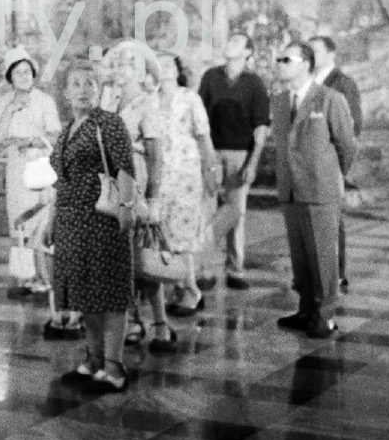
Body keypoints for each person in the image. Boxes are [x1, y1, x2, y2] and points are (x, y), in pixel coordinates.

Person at [51, 59, 137, 393]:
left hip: (102, 217)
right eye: (76, 83)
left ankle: (114, 367)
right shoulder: (67, 127)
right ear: (66, 91)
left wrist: (126, 208)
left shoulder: (109, 124)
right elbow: (62, 178)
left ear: (99, 89)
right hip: (72, 220)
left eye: (90, 83)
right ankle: (94, 360)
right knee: (85, 291)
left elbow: (125, 169)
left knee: (109, 290)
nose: (83, 89)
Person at [271, 42, 356, 340]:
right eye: (279, 59)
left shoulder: (330, 99)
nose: (279, 64)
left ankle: (324, 315)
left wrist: (333, 176)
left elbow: (347, 145)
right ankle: (305, 308)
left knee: (322, 256)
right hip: (291, 190)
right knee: (301, 256)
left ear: (305, 63)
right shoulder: (280, 102)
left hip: (320, 189)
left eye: (286, 59)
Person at [100, 40, 165, 348]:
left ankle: (157, 322)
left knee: (141, 255)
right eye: (115, 63)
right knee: (117, 256)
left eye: (126, 63)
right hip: (109, 185)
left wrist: (153, 198)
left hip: (135, 180)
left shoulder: (147, 104)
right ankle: (130, 317)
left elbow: (155, 156)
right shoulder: (108, 101)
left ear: (140, 71)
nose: (118, 68)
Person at [198, 33, 270, 290]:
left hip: (240, 153)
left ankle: (235, 268)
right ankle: (204, 269)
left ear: (248, 52)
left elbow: (261, 127)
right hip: (211, 150)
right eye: (229, 40)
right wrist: (204, 156)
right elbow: (200, 118)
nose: (229, 43)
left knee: (235, 212)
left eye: (237, 41)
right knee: (206, 209)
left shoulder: (254, 83)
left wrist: (252, 163)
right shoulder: (211, 77)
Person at [0, 47, 60, 298]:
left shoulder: (45, 101)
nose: (24, 76)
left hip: (39, 168)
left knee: (39, 221)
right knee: (18, 220)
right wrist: (10, 109)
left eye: (27, 71)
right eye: (18, 72)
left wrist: (30, 140)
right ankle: (24, 278)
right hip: (16, 169)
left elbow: (53, 135)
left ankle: (44, 278)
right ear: (10, 77)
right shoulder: (3, 102)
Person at [156, 55, 221, 321]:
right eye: (159, 65)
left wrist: (211, 171)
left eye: (169, 64)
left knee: (183, 233)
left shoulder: (190, 98)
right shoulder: (150, 99)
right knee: (164, 233)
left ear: (178, 70)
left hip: (186, 174)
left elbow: (204, 137)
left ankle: (192, 290)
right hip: (160, 176)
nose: (165, 69)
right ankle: (177, 287)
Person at [310, 35, 362, 292]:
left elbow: (352, 127)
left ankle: (336, 274)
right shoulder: (307, 82)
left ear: (331, 54)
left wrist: (339, 164)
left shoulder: (343, 84)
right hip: (306, 163)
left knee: (331, 220)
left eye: (315, 51)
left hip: (328, 161)